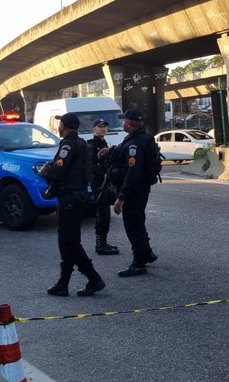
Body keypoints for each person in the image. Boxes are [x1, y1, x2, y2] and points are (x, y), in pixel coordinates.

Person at [40, 113, 106, 297]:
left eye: (60, 124)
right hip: (79, 197)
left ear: (65, 126)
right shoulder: (82, 143)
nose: (59, 127)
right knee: (68, 243)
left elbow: (58, 172)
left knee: (70, 243)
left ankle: (93, 278)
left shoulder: (68, 144)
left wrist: (46, 171)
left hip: (70, 199)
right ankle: (63, 283)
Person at [104, 108, 157, 277]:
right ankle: (146, 253)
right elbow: (125, 153)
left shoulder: (135, 143)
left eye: (124, 120)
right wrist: (111, 151)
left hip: (134, 191)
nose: (122, 123)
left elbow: (133, 172)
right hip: (140, 189)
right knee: (138, 222)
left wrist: (121, 197)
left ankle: (138, 262)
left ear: (128, 123)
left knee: (133, 225)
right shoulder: (141, 138)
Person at [86, 118, 119, 255]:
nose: (103, 129)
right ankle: (100, 245)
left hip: (106, 182)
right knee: (102, 213)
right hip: (99, 183)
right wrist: (104, 174)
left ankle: (103, 242)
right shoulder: (91, 144)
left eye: (104, 126)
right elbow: (91, 165)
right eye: (100, 126)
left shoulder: (104, 143)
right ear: (94, 129)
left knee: (105, 213)